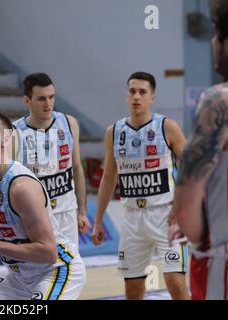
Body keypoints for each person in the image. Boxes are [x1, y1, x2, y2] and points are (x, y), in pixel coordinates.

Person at [90, 72, 190, 300]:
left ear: (151, 98)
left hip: (166, 216)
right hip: (132, 217)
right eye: (132, 91)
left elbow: (191, 168)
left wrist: (181, 205)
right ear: (126, 96)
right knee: (133, 290)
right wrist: (98, 220)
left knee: (175, 283)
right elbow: (108, 178)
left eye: (142, 92)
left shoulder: (168, 127)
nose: (136, 96)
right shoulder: (113, 132)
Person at [0, 110, 85, 300]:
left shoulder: (21, 187)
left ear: (6, 139)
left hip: (56, 269)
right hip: (19, 277)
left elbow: (48, 252)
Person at [169, 0, 228, 300]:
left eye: (216, 33)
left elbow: (185, 204)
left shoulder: (219, 101)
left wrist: (199, 235)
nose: (213, 44)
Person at [13, 73, 91, 250]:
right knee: (41, 271)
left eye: (51, 97)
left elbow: (77, 169)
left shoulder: (69, 123)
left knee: (72, 270)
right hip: (35, 216)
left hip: (67, 212)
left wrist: (83, 212)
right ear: (27, 100)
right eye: (41, 99)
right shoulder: (14, 133)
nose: (48, 104)